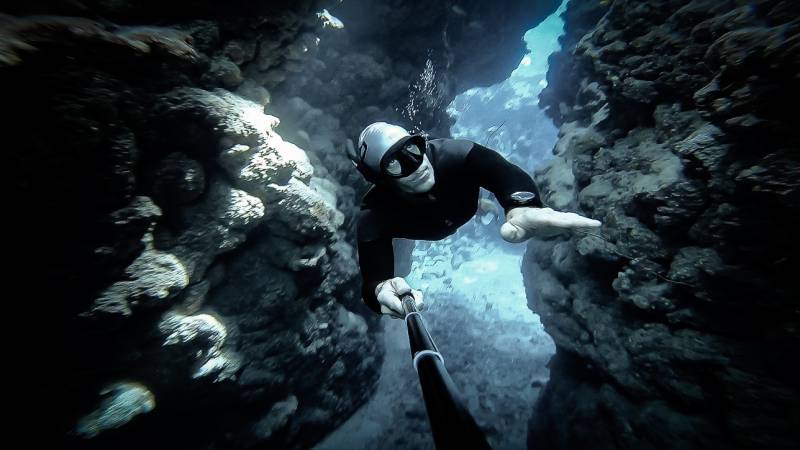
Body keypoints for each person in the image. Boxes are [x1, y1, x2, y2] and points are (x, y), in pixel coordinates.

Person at [348, 122, 601, 318]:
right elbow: (373, 281)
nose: (416, 165)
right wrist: (381, 292)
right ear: (381, 179)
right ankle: (479, 205)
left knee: (467, 192)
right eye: (395, 164)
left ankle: (480, 205)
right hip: (446, 214)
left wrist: (522, 206)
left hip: (460, 207)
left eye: (413, 149)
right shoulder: (375, 212)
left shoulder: (453, 153)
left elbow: (503, 173)